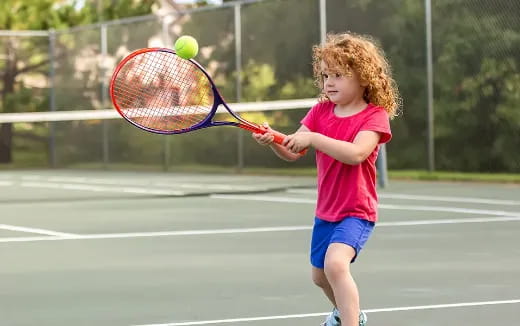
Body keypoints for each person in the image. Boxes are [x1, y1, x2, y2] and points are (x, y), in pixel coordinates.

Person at [252, 32, 400, 326]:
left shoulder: (374, 116)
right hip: (326, 211)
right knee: (319, 276)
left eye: (338, 75)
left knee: (335, 265)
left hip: (356, 211)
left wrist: (315, 138)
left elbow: (357, 153)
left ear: (363, 77)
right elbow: (294, 152)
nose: (328, 82)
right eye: (324, 75)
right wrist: (275, 142)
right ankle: (348, 315)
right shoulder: (320, 111)